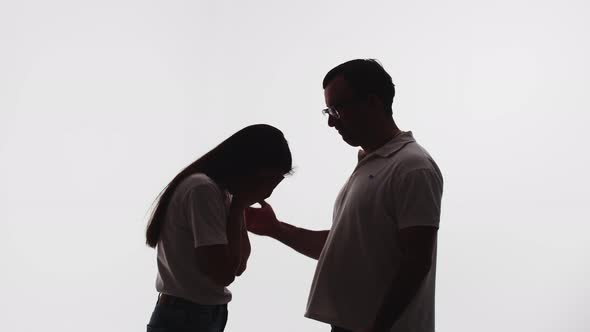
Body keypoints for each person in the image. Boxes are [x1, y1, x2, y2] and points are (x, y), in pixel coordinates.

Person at [246, 59, 443, 332]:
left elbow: (417, 261)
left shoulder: (412, 167)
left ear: (373, 103)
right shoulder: (372, 163)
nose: (330, 122)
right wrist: (276, 229)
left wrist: (376, 328)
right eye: (327, 110)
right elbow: (346, 246)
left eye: (337, 108)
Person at [145, 124, 293, 332]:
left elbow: (239, 265)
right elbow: (224, 275)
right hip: (186, 317)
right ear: (251, 168)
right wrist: (239, 206)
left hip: (198, 314)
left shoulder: (221, 193)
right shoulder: (203, 189)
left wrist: (239, 206)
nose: (268, 190)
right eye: (269, 179)